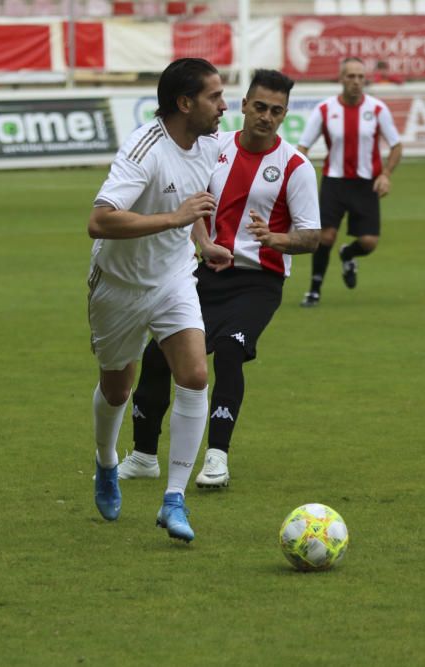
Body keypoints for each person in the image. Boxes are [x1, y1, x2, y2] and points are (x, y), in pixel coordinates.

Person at [116, 69, 321, 489]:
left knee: (230, 350)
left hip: (258, 282)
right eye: (259, 106)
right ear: (244, 105)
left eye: (276, 111)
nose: (266, 116)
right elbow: (192, 207)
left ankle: (216, 458)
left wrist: (275, 239)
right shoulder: (213, 148)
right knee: (159, 356)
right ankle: (142, 456)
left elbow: (313, 236)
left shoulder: (296, 167)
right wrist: (205, 242)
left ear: (285, 116)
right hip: (202, 274)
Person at [87, 58, 226, 542]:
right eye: (214, 97)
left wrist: (203, 242)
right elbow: (100, 220)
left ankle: (174, 500)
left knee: (194, 375)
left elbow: (194, 204)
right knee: (117, 389)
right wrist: (174, 218)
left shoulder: (207, 144)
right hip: (120, 286)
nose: (223, 106)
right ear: (184, 103)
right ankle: (107, 462)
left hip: (173, 277)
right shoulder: (144, 149)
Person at [297, 57, 402, 307]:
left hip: (366, 184)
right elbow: (303, 147)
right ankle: (314, 290)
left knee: (369, 242)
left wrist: (386, 174)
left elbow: (396, 146)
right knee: (325, 237)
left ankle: (348, 254)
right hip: (334, 182)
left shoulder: (377, 109)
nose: (356, 82)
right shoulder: (325, 109)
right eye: (350, 76)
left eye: (360, 77)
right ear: (341, 79)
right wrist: (299, 179)